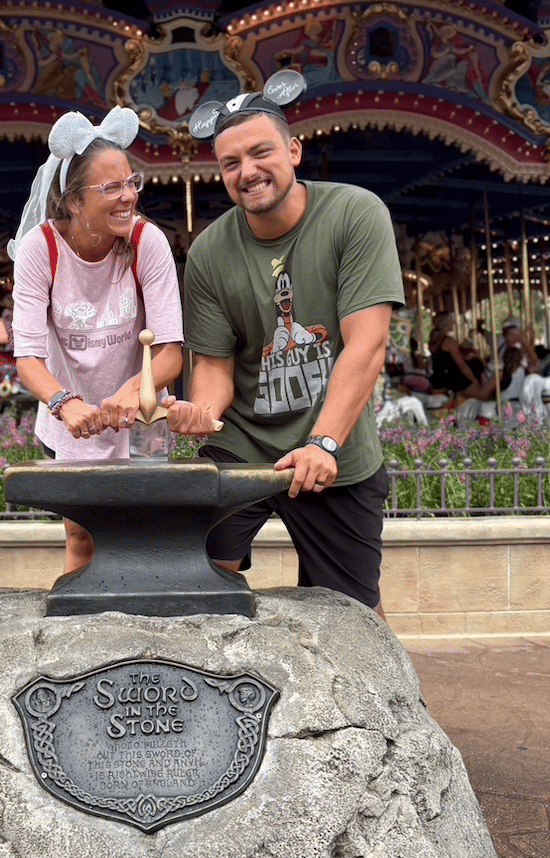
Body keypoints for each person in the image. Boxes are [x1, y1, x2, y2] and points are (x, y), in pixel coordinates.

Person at [167, 72, 405, 619]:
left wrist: (324, 443)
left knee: (353, 616)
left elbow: (367, 345)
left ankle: (377, 679)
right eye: (230, 162)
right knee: (196, 586)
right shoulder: (208, 252)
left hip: (333, 445)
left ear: (293, 151)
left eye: (260, 153)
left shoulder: (355, 213)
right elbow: (215, 367)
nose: (247, 171)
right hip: (243, 444)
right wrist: (200, 412)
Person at [9, 106, 184, 574]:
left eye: (131, 183)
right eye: (111, 188)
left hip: (140, 417)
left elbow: (171, 350)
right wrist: (65, 404)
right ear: (73, 202)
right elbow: (27, 358)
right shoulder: (40, 249)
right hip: (72, 418)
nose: (128, 197)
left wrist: (135, 390)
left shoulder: (147, 242)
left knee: (146, 534)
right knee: (81, 535)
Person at [429, 311, 485, 398]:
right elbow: (462, 365)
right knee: (482, 395)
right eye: (452, 320)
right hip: (452, 379)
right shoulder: (449, 341)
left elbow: (446, 358)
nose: (454, 323)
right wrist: (475, 381)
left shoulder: (435, 339)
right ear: (445, 323)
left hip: (439, 378)